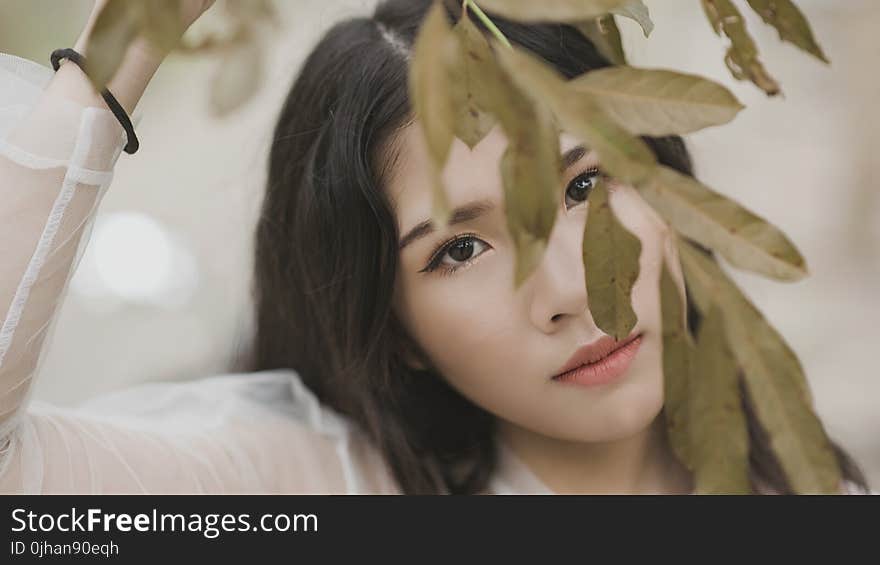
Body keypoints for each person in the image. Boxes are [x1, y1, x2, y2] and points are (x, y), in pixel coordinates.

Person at [0, 0, 869, 495]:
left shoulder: (807, 481)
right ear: (397, 328)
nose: (576, 291)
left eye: (583, 186)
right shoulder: (331, 490)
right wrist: (123, 49)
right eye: (459, 248)